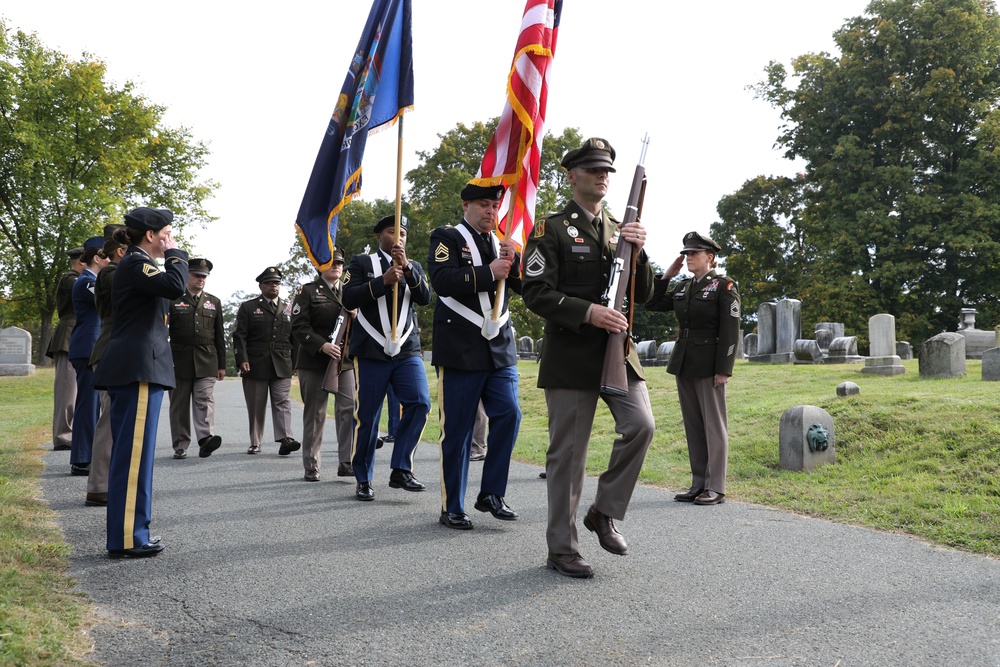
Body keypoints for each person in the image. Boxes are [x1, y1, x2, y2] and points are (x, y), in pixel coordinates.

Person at [521, 137, 655, 579]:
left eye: (608, 172)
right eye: (594, 170)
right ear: (572, 175)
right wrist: (589, 312)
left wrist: (639, 251)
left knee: (641, 426)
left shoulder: (620, 229)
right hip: (571, 351)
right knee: (569, 455)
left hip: (617, 350)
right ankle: (562, 548)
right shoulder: (550, 229)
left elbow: (647, 295)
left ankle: (603, 511)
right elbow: (536, 292)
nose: (603, 177)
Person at [427, 182, 522, 529]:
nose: (490, 212)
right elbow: (442, 280)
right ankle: (452, 505)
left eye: (494, 206)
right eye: (483, 205)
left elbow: (524, 287)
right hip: (460, 349)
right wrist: (488, 273)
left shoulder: (504, 243)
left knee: (510, 415)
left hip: (499, 350)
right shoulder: (447, 237)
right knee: (458, 430)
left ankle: (491, 493)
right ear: (465, 205)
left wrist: (517, 262)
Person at [93, 206, 187, 558]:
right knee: (133, 459)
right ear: (151, 235)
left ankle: (133, 532)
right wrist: (176, 253)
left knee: (137, 457)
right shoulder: (135, 262)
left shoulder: (136, 263)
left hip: (140, 368)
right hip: (137, 370)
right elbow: (176, 285)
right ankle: (129, 537)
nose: (170, 238)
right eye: (166, 232)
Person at [646, 231, 741, 506]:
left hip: (710, 364)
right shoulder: (684, 287)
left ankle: (716, 486)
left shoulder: (724, 286)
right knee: (694, 426)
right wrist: (666, 276)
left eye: (693, 254)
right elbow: (653, 304)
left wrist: (724, 369)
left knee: (714, 425)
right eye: (686, 254)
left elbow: (730, 331)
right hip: (685, 362)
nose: (687, 258)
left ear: (709, 258)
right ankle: (699, 483)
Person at [342, 214, 432, 501]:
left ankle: (401, 468)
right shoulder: (361, 263)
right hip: (371, 350)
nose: (399, 238)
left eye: (403, 234)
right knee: (368, 416)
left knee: (419, 402)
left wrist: (405, 269)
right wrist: (381, 281)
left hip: (406, 350)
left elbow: (426, 298)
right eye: (393, 232)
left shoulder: (413, 266)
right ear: (380, 236)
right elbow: (348, 298)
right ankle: (364, 477)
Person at [290, 248, 356, 480]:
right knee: (316, 413)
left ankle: (346, 461)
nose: (336, 266)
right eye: (331, 262)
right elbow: (298, 326)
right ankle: (311, 464)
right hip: (315, 360)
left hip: (344, 361)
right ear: (320, 266)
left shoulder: (351, 292)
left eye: (339, 263)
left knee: (348, 410)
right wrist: (321, 345)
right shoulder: (307, 291)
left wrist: (357, 316)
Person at [233, 266, 300, 456]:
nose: (274, 286)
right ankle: (255, 442)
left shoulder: (288, 307)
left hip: (282, 363)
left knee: (283, 402)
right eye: (270, 283)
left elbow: (296, 338)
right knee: (256, 405)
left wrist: (295, 362)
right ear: (261, 286)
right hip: (256, 363)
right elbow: (239, 336)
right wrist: (242, 359)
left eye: (277, 283)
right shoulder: (248, 307)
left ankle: (286, 439)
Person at [167, 258, 226, 459]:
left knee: (204, 400)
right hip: (178, 360)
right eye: (197, 275)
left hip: (207, 359)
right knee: (179, 406)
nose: (201, 279)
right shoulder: (172, 299)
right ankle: (180, 445)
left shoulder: (214, 301)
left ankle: (206, 439)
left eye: (204, 277)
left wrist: (222, 365)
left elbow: (220, 335)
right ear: (187, 276)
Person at [85, 225, 127, 507]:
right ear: (121, 250)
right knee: (109, 421)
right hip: (111, 351)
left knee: (114, 420)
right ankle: (99, 485)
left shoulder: (114, 272)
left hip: (116, 351)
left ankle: (107, 483)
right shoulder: (112, 273)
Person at [67, 237, 110, 476]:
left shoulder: (92, 280)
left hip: (92, 348)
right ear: (97, 258)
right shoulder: (87, 281)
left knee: (94, 404)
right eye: (107, 256)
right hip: (87, 349)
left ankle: (88, 455)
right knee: (88, 405)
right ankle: (82, 458)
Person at [47, 246, 85, 451]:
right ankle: (63, 436)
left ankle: (72, 433)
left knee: (76, 390)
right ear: (82, 261)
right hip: (69, 335)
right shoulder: (71, 279)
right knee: (67, 390)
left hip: (78, 334)